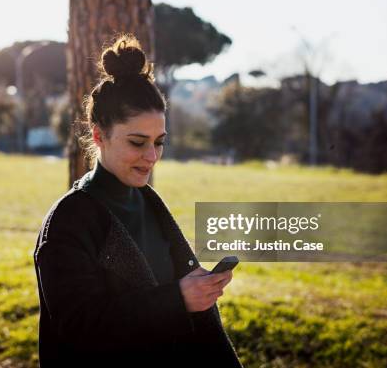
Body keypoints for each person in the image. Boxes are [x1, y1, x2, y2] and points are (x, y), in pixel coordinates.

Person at [33, 34, 242, 367]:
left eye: (159, 142)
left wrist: (195, 287)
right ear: (99, 135)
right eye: (137, 142)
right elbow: (79, 330)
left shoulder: (147, 201)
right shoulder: (69, 220)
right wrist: (177, 299)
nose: (151, 156)